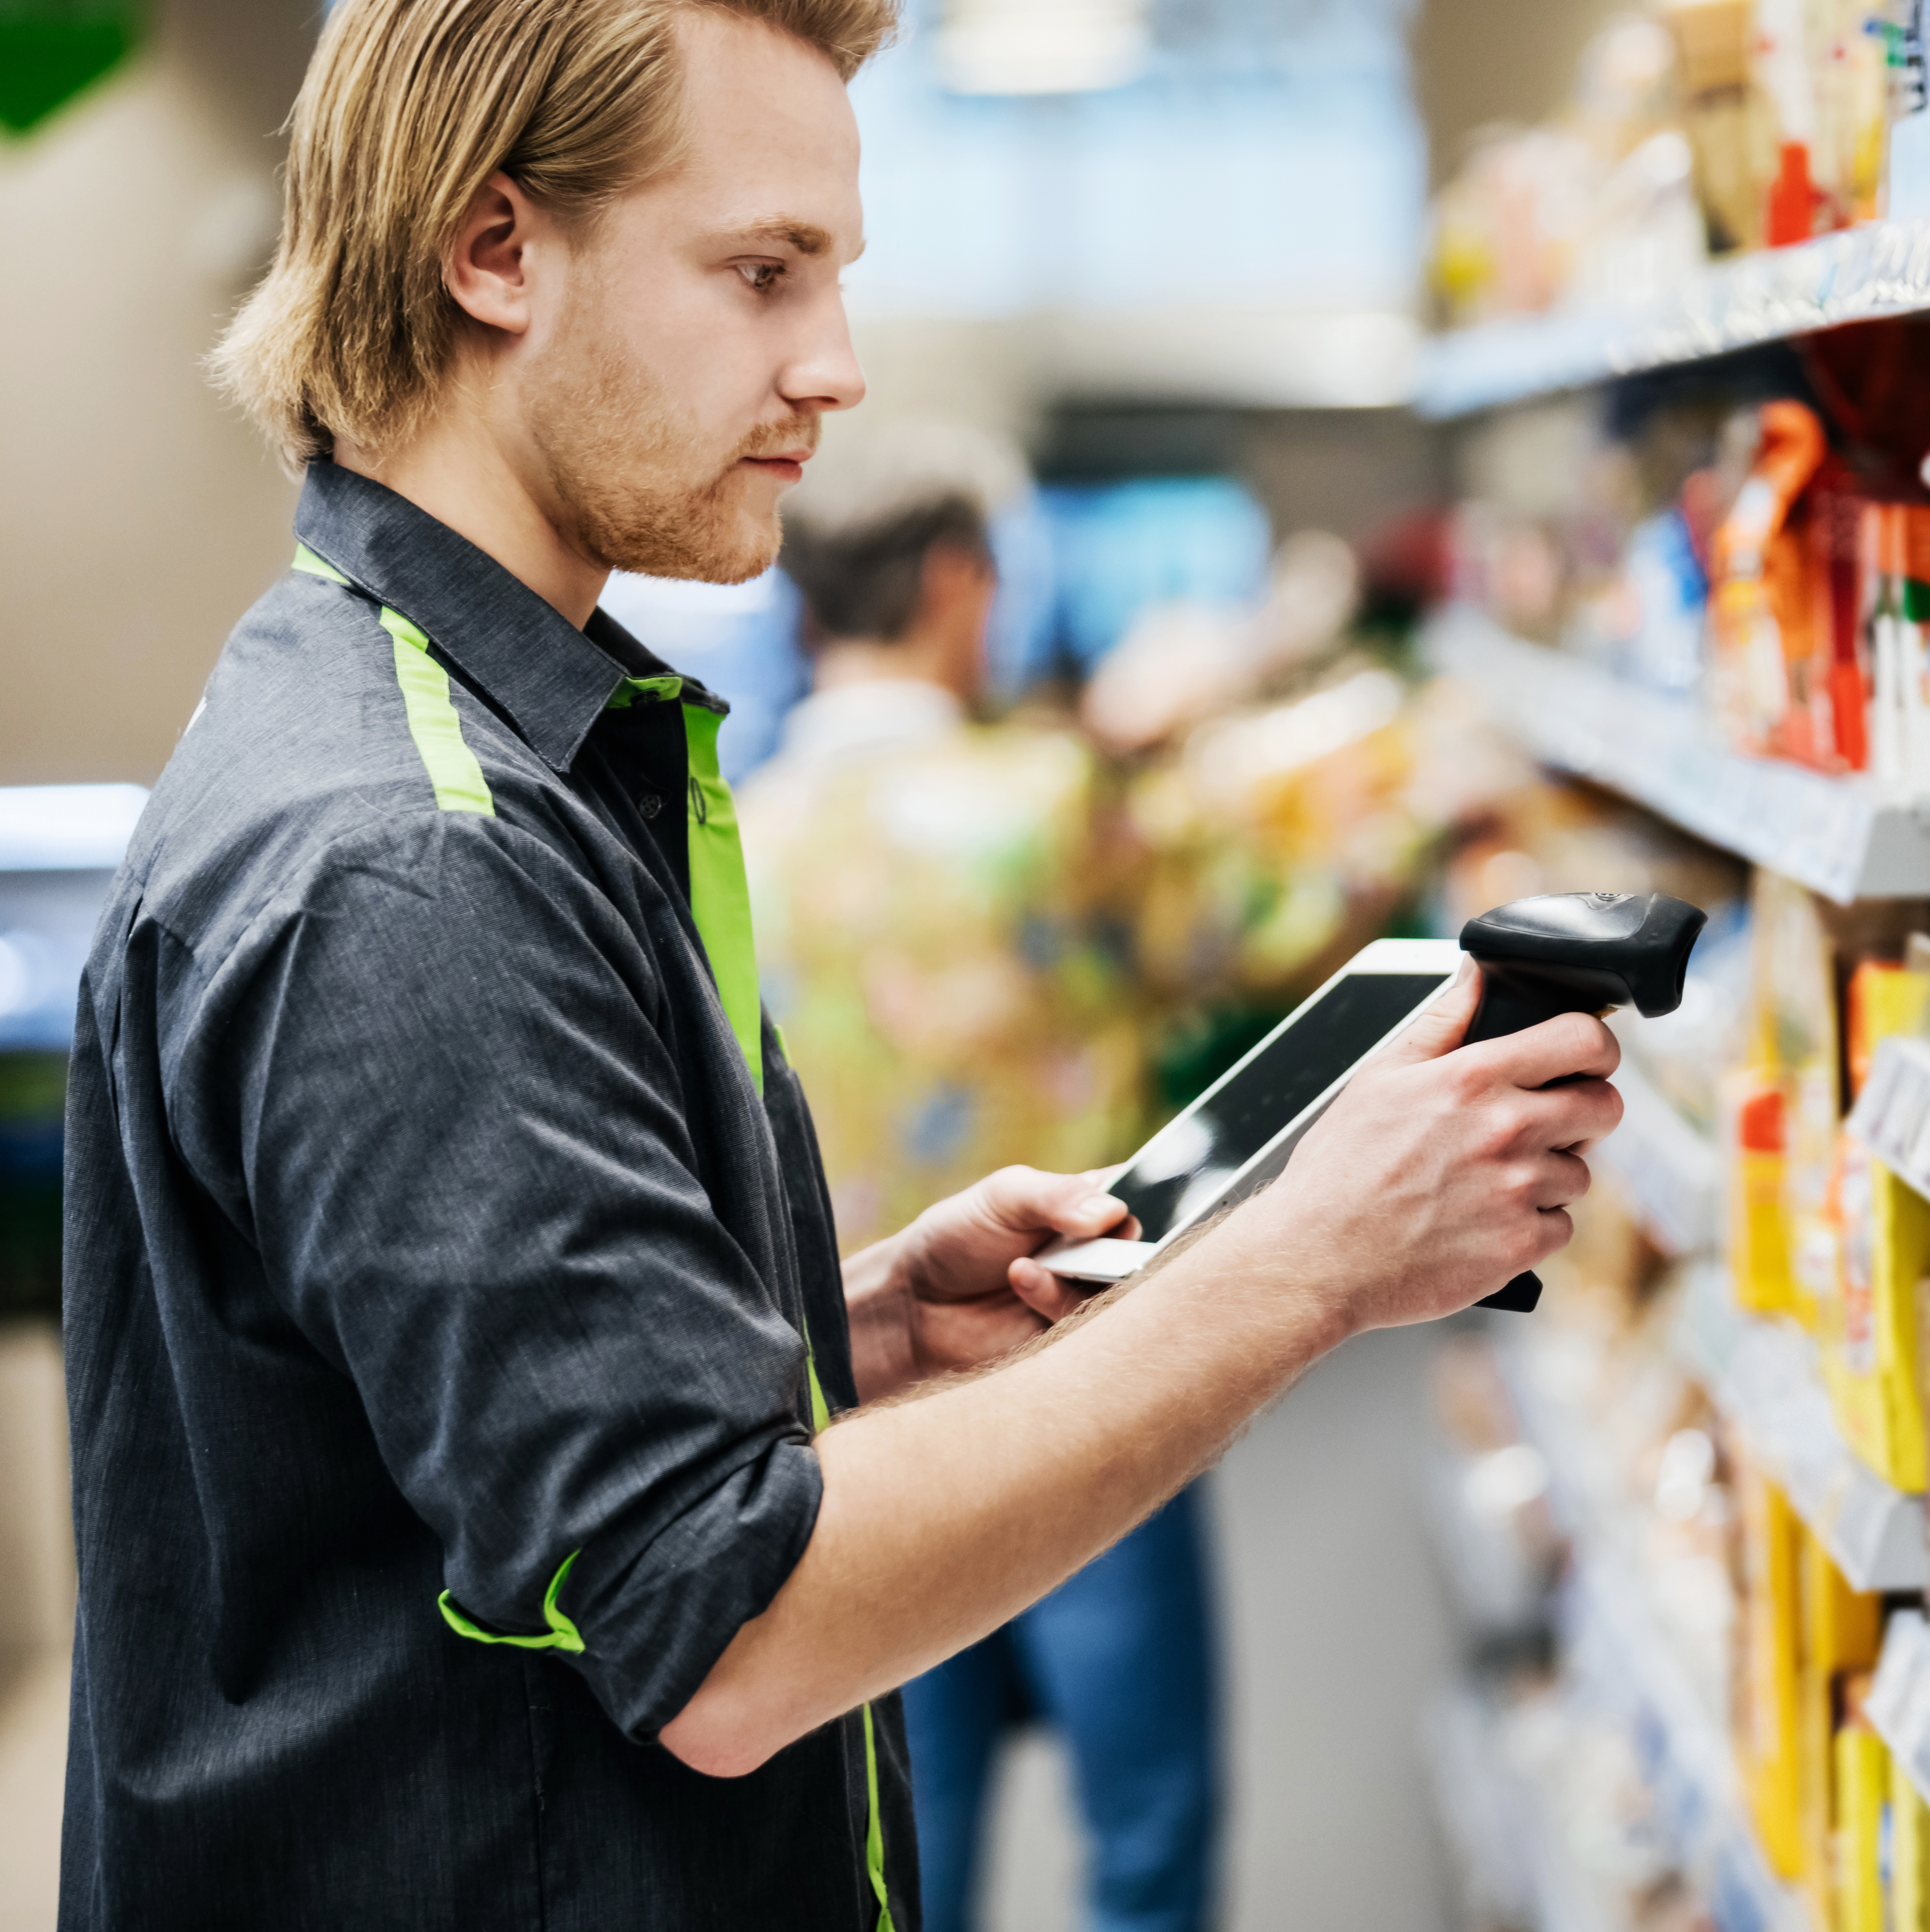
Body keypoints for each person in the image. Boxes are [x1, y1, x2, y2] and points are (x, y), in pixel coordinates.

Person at [57, 4, 1620, 1927]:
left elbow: (438, 1438)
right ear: (493, 251)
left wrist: (829, 1330)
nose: (838, 367)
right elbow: (728, 1630)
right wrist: (1313, 1262)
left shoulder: (457, 734)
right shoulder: (418, 855)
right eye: (760, 272)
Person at [743, 427, 1218, 1932]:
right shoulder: (1047, 804)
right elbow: (1238, 922)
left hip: (847, 1409)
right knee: (1143, 1819)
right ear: (959, 581)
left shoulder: (725, 841)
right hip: (1075, 1351)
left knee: (906, 1830)